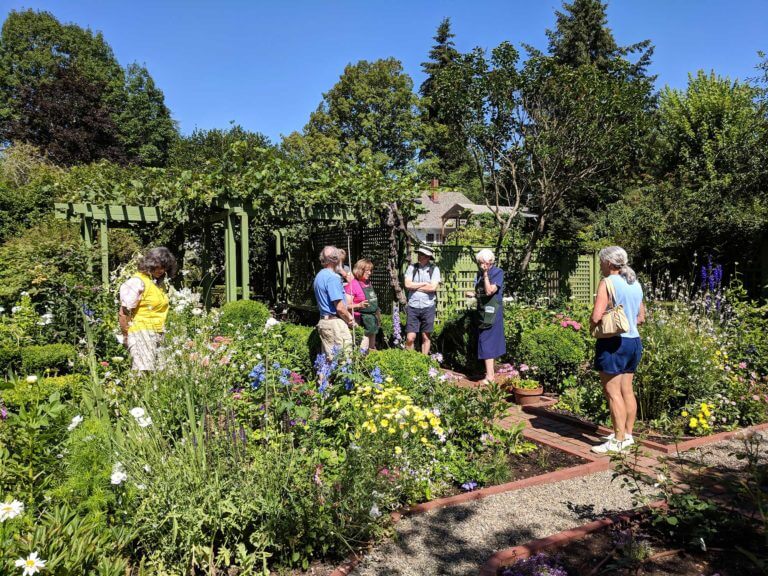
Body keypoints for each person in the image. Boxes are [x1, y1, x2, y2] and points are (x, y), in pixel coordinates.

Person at [589, 246, 646, 454]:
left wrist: (592, 328)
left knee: (612, 392)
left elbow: (596, 316)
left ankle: (618, 441)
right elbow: (641, 317)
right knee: (626, 390)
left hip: (614, 342)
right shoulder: (634, 282)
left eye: (601, 262)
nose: (600, 265)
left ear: (609, 263)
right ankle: (627, 435)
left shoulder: (607, 282)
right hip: (634, 342)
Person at [118, 247, 177, 371]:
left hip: (159, 332)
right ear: (150, 264)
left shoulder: (157, 284)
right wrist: (126, 336)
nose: (162, 270)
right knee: (144, 373)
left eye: (165, 267)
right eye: (159, 266)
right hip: (142, 333)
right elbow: (124, 312)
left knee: (162, 375)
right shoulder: (137, 282)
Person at [314, 245, 356, 357]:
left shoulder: (320, 275)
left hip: (324, 321)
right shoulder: (333, 277)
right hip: (335, 324)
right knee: (344, 361)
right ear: (336, 259)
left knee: (327, 363)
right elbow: (340, 308)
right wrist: (350, 319)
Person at [472, 249, 505, 384]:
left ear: (489, 262)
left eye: (482, 262)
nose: (480, 265)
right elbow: (482, 292)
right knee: (486, 341)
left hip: (492, 314)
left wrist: (486, 275)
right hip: (482, 312)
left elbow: (490, 291)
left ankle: (490, 377)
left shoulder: (497, 272)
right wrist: (474, 294)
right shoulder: (479, 274)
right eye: (479, 262)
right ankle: (490, 374)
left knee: (486, 342)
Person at [404, 246, 441, 354]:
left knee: (426, 337)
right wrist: (424, 284)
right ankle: (409, 361)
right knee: (410, 338)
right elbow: (407, 284)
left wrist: (414, 287)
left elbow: (433, 288)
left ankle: (423, 361)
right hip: (413, 306)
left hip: (428, 307)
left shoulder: (434, 269)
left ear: (428, 257)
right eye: (419, 254)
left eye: (422, 254)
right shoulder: (412, 268)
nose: (419, 256)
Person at [345, 258, 379, 351]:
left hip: (371, 320)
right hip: (359, 321)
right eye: (367, 270)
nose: (370, 273)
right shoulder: (352, 285)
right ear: (360, 270)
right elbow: (345, 306)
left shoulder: (368, 283)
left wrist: (378, 317)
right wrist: (358, 305)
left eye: (370, 270)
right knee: (362, 349)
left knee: (372, 349)